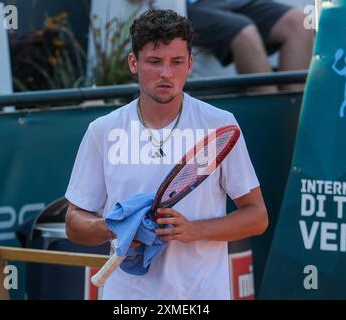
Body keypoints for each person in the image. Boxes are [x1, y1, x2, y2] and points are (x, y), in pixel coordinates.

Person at [65, 9, 268, 300]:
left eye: (176, 62)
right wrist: (115, 228)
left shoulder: (220, 124)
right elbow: (74, 223)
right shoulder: (103, 130)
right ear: (133, 63)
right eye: (154, 62)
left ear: (190, 64)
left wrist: (194, 230)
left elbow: (257, 217)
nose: (166, 73)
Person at [187, 0, 314, 92]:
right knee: (246, 33)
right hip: (186, 6)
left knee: (299, 22)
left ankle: (295, 117)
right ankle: (270, 117)